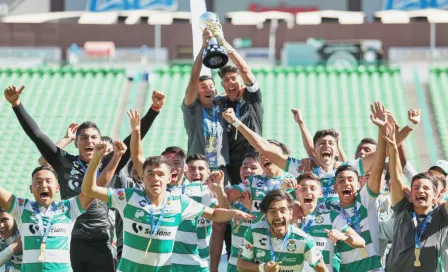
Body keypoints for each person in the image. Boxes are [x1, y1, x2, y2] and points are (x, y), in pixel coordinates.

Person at [4, 85, 165, 272]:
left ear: (100, 142)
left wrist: (154, 110)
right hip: (71, 238)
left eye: (94, 137)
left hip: (101, 237)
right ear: (76, 142)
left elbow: (133, 139)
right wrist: (17, 104)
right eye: (84, 137)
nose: (89, 141)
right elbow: (37, 135)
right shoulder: (63, 162)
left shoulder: (109, 162)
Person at [81, 152, 254, 271]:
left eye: (160, 174)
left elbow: (214, 214)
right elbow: (89, 190)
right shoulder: (128, 196)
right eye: (150, 174)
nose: (155, 178)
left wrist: (232, 214)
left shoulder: (179, 201)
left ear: (169, 177)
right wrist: (96, 159)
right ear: (142, 177)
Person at [0, 164, 96, 271]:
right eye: (38, 182)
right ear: (31, 189)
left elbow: (94, 189)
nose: (43, 185)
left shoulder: (69, 207)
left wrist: (102, 158)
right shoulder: (21, 208)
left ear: (57, 188)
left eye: (48, 181)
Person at [385, 124, 448, 272]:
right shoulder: (402, 209)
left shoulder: (441, 214)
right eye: (416, 188)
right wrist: (393, 147)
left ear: (436, 195)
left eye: (426, 188)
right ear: (410, 195)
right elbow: (396, 177)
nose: (421, 191)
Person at [237, 189, 327, 271]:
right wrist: (263, 268)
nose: (278, 216)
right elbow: (240, 265)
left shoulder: (304, 240)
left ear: (290, 213)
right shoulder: (253, 232)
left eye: (282, 210)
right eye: (272, 211)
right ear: (266, 215)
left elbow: (322, 269)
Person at [182, 28, 229, 182]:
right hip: (197, 169)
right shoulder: (192, 108)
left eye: (211, 86)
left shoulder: (221, 104)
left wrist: (221, 42)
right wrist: (204, 48)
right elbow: (194, 77)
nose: (208, 89)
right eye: (203, 87)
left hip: (220, 169)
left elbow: (236, 84)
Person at [294, 173, 366, 272]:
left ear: (320, 192)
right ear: (296, 192)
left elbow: (361, 242)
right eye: (303, 188)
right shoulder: (288, 216)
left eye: (313, 188)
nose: (308, 192)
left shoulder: (331, 216)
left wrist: (343, 236)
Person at [226, 140, 296, 222]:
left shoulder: (294, 180)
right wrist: (218, 189)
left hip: (279, 233)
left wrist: (251, 208)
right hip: (255, 234)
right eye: (261, 154)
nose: (264, 157)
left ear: (282, 157)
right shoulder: (253, 180)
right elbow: (227, 198)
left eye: (269, 153)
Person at [227, 152, 263, 272]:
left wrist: (250, 209)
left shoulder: (267, 197)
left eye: (253, 168)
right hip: (234, 263)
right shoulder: (233, 194)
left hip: (256, 264)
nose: (247, 170)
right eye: (244, 167)